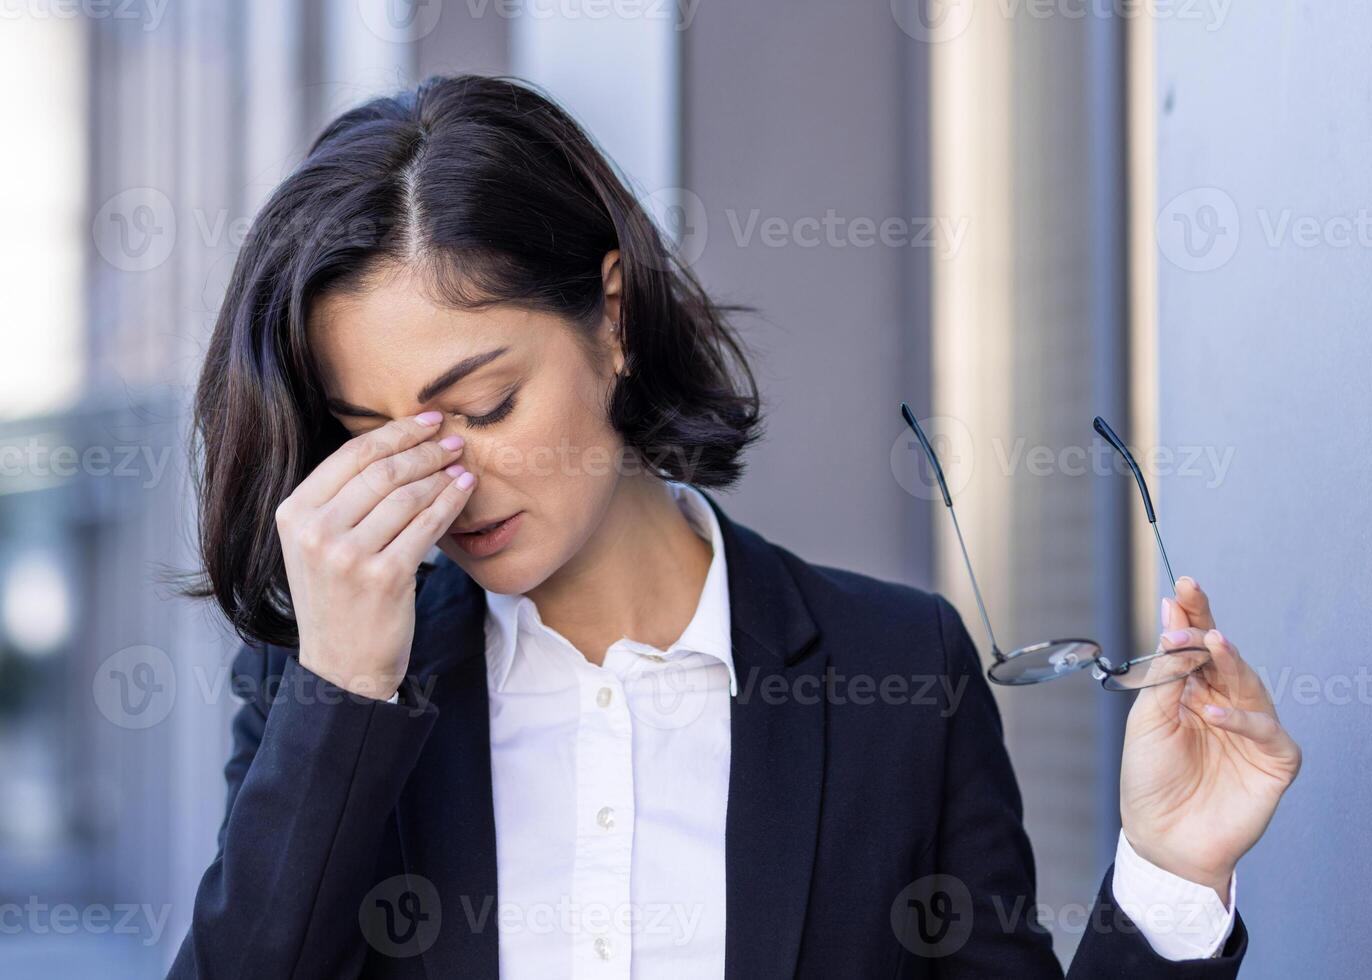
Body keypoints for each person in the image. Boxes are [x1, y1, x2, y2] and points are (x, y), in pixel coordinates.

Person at [170, 74, 1300, 979]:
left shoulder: (897, 673)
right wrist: (343, 700)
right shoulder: (317, 684)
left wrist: (1168, 869)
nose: (446, 482)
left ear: (611, 317)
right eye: (377, 435)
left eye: (485, 406)